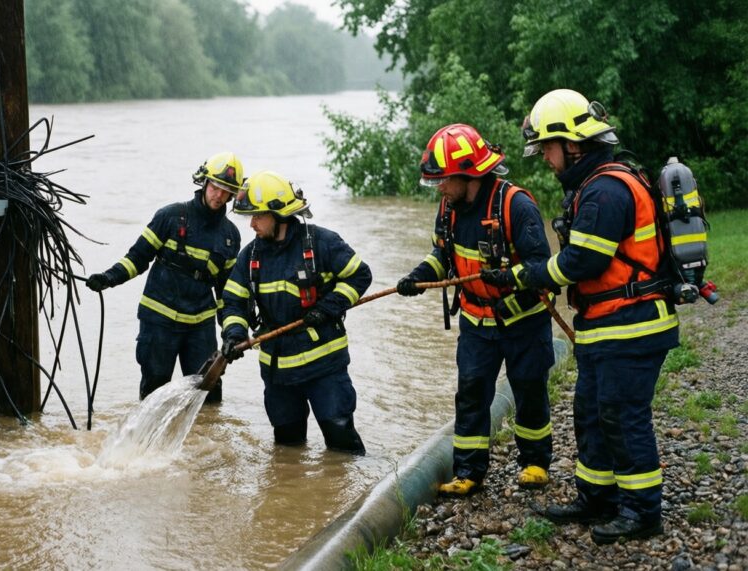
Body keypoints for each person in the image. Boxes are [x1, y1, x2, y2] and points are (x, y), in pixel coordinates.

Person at [490, 88, 678, 544]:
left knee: (622, 415)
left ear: (572, 144)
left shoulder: (606, 190)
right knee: (592, 412)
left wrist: (525, 275)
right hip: (606, 323)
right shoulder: (594, 185)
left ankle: (641, 511)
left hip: (632, 323)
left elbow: (581, 263)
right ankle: (597, 498)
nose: (546, 160)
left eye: (547, 150)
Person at [397, 123, 556, 497]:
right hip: (475, 322)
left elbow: (542, 268)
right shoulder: (449, 208)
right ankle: (469, 471)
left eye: (443, 180)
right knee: (470, 393)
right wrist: (418, 277)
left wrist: (508, 280)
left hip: (523, 322)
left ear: (468, 174)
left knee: (530, 389)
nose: (439, 187)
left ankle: (535, 462)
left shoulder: (516, 205)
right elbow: (443, 254)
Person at [219, 171, 371, 455]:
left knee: (340, 440)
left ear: (279, 214)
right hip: (278, 373)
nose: (251, 224)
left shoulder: (322, 243)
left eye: (257, 216)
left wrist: (328, 308)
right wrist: (234, 334)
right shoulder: (250, 256)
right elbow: (233, 302)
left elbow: (359, 276)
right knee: (287, 450)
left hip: (325, 366)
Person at [85, 152, 243, 402]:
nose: (219, 196)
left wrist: (232, 334)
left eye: (227, 191)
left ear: (234, 195)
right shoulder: (170, 217)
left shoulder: (230, 236)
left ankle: (206, 441)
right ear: (204, 183)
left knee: (209, 396)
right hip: (159, 321)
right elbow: (137, 258)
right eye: (216, 187)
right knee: (154, 392)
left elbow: (226, 294)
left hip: (200, 326)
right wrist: (108, 278)